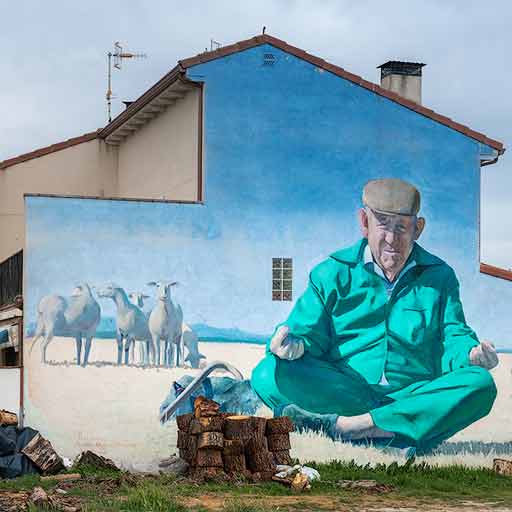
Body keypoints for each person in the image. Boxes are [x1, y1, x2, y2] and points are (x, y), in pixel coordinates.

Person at [251, 178, 498, 453]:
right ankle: (399, 430)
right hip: (347, 392)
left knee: (480, 383)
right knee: (266, 373)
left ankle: (350, 428)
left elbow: (454, 336)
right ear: (364, 222)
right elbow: (305, 333)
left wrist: (469, 354)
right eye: (383, 224)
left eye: (402, 227)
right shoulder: (331, 273)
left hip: (413, 394)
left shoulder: (440, 277)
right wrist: (291, 346)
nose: (392, 239)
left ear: (418, 229)